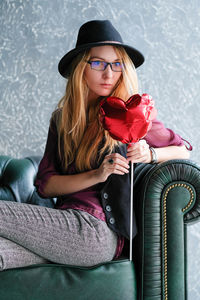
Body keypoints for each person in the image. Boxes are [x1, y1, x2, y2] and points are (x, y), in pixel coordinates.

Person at [0, 20, 191, 270]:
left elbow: (183, 151)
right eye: (98, 63)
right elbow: (46, 186)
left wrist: (151, 153)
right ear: (82, 67)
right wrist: (97, 174)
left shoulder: (132, 112)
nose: (108, 73)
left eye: (116, 64)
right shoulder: (63, 119)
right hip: (63, 225)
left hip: (96, 232)